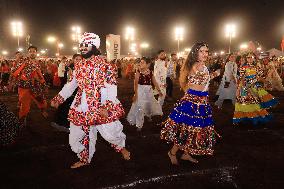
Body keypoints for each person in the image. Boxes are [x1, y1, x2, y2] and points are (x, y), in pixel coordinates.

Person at [51, 32, 130, 169]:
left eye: (86, 45)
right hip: (81, 105)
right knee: (76, 136)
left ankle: (121, 148)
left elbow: (111, 87)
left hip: (101, 103)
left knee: (110, 132)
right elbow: (71, 84)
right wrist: (59, 98)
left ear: (94, 47)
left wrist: (107, 106)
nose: (82, 47)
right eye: (81, 45)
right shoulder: (79, 65)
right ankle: (84, 158)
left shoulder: (106, 65)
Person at [161, 42, 220, 165]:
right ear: (195, 53)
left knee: (195, 130)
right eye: (201, 51)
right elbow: (202, 79)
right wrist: (215, 74)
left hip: (202, 102)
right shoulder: (195, 66)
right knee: (186, 130)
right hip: (192, 103)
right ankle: (172, 152)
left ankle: (186, 154)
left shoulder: (203, 66)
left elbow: (204, 80)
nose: (205, 54)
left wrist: (212, 74)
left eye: (206, 51)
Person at [233, 52, 278, 125]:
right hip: (246, 88)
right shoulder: (243, 68)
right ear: (246, 59)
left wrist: (266, 82)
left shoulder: (257, 67)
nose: (250, 59)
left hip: (255, 87)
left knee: (256, 104)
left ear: (254, 58)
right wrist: (240, 88)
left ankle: (255, 117)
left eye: (251, 57)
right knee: (246, 104)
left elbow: (260, 77)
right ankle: (245, 118)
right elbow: (241, 79)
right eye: (248, 57)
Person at [10, 46, 48, 124]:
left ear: (36, 53)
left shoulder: (37, 63)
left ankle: (43, 110)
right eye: (30, 51)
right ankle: (22, 118)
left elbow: (39, 73)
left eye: (34, 51)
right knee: (24, 104)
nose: (32, 52)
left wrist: (43, 82)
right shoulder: (24, 61)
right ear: (28, 53)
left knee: (41, 100)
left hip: (35, 86)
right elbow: (15, 71)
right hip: (24, 86)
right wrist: (14, 80)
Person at [127, 57, 163, 131]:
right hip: (140, 91)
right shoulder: (138, 71)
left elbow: (154, 82)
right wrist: (136, 95)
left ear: (148, 64)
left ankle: (148, 115)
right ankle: (139, 125)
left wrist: (159, 91)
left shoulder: (150, 72)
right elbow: (135, 84)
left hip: (149, 91)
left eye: (143, 62)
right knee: (140, 107)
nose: (140, 63)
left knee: (149, 104)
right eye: (140, 62)